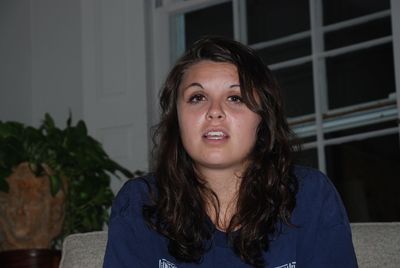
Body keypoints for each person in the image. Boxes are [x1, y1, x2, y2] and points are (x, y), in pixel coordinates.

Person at [103, 36, 357, 267]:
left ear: (262, 118)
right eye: (197, 97)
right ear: (176, 119)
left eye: (235, 98)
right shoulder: (140, 203)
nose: (214, 111)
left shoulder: (310, 197)